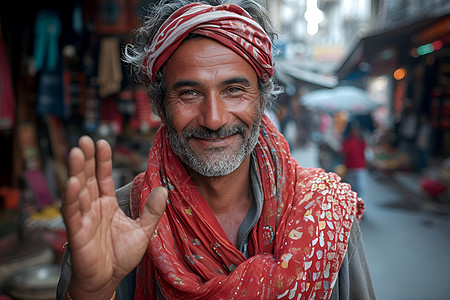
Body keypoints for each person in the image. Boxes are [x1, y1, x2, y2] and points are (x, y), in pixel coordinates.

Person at [57, 1, 375, 299]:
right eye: (190, 93)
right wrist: (90, 293)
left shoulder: (326, 216)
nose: (214, 119)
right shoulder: (118, 222)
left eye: (234, 90)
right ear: (160, 106)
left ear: (262, 100)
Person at [340, 121, 368, 201]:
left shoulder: (361, 141)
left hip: (360, 168)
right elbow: (342, 151)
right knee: (353, 188)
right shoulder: (348, 141)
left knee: (360, 188)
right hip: (351, 168)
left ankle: (360, 207)